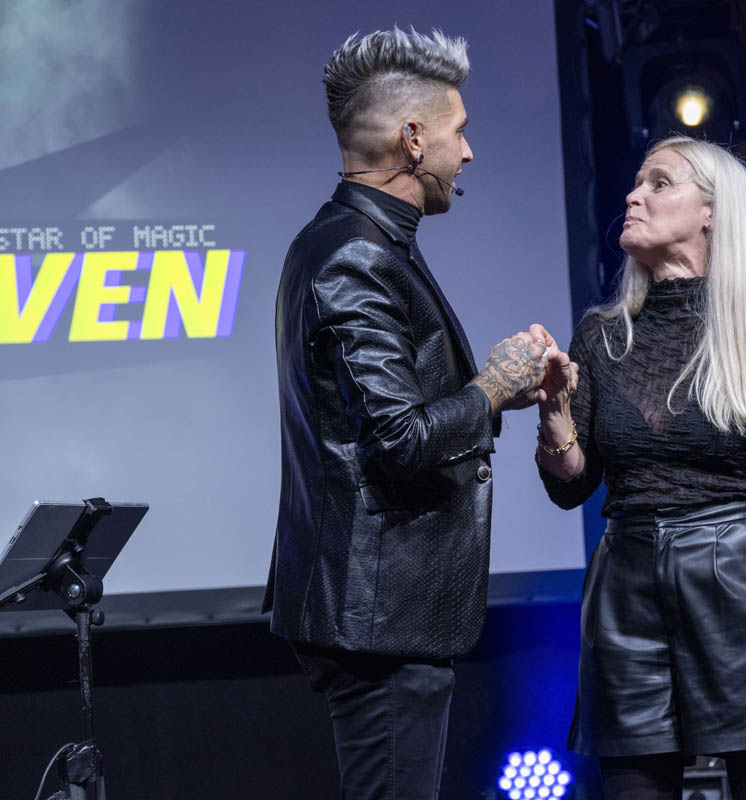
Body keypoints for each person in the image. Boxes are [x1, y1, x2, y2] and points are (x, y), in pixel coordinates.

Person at [263, 27, 569, 800]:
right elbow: (397, 440)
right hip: (381, 618)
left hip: (382, 614)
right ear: (412, 139)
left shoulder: (357, 240)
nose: (469, 152)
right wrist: (492, 387)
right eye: (458, 131)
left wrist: (493, 389)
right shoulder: (354, 254)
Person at [535, 136, 746, 799]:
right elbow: (572, 488)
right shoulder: (601, 336)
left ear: (711, 211)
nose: (633, 195)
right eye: (636, 182)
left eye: (659, 183)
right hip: (627, 594)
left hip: (744, 590)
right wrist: (555, 418)